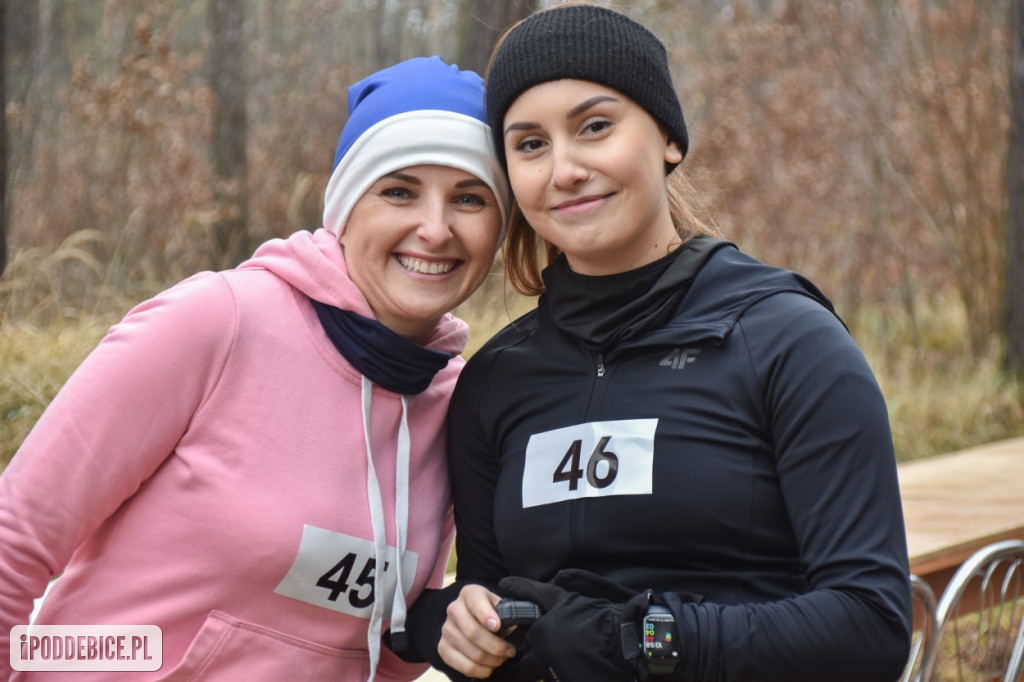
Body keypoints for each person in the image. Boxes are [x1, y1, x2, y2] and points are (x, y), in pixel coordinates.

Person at [391, 5, 913, 682]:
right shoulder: (495, 380)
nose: (565, 168)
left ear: (667, 136)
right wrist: (460, 624)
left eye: (595, 127)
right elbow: (494, 600)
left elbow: (870, 627)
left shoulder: (786, 340)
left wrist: (643, 640)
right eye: (529, 144)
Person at [0, 55, 510, 681]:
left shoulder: (459, 404)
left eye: (469, 198)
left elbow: (386, 650)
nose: (435, 229)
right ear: (346, 207)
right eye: (399, 190)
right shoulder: (218, 321)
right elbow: (14, 541)